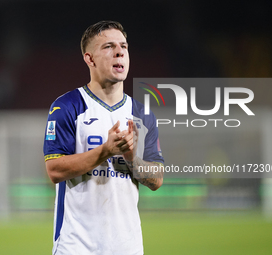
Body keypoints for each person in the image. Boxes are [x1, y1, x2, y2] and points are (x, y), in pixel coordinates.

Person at [43, 20, 164, 255]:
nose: (119, 51)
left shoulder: (142, 113)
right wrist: (104, 151)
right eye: (108, 46)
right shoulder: (67, 106)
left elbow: (157, 179)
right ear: (90, 59)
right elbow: (55, 170)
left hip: (127, 247)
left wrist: (131, 159)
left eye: (124, 46)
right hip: (76, 245)